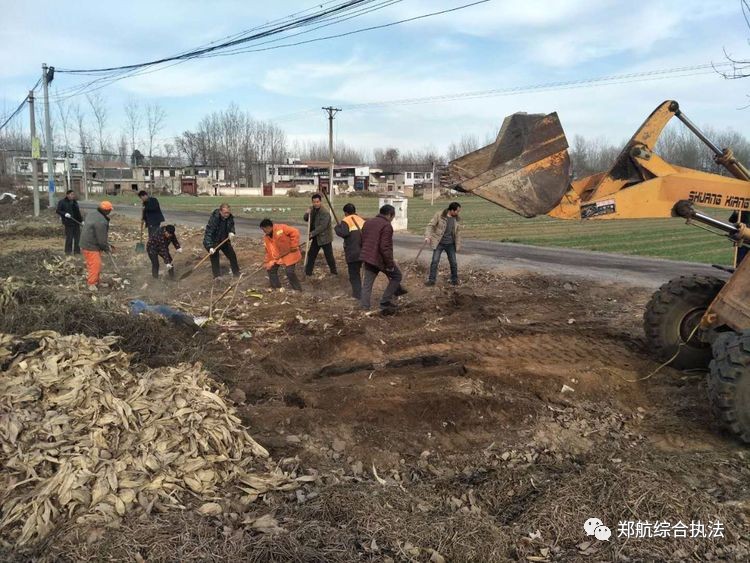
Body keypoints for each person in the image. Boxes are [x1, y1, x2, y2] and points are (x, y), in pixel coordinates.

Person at [360, 204, 407, 314]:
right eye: (393, 217)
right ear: (390, 215)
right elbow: (384, 247)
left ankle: (364, 306)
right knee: (396, 276)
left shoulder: (368, 222)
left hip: (367, 256)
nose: (392, 220)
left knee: (367, 283)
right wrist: (390, 264)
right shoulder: (386, 226)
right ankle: (385, 302)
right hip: (379, 258)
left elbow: (363, 240)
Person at [424, 202, 463, 286]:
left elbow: (458, 233)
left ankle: (454, 280)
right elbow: (430, 226)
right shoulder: (439, 215)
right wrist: (427, 236)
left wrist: (458, 245)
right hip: (439, 243)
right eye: (457, 211)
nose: (458, 213)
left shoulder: (457, 219)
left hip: (450, 244)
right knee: (435, 261)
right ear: (452, 210)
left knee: (453, 262)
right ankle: (431, 280)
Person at [80, 200, 115, 291]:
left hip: (87, 242)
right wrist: (106, 248)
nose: (110, 212)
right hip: (90, 245)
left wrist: (106, 245)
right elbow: (101, 239)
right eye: (110, 210)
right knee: (95, 265)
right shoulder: (101, 221)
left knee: (93, 264)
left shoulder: (92, 214)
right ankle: (91, 284)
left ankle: (96, 281)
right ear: (106, 210)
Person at [260, 218, 303, 291]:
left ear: (268, 227)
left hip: (290, 254)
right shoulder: (267, 238)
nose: (264, 232)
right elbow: (269, 251)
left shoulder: (281, 228)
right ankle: (277, 288)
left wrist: (294, 245)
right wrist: (267, 262)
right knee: (270, 269)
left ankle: (297, 290)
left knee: (289, 272)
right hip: (278, 257)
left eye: (264, 230)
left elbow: (295, 232)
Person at [334, 203, 366, 299]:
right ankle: (364, 293)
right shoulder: (361, 220)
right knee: (365, 274)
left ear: (346, 213)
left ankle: (357, 295)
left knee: (354, 274)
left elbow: (344, 233)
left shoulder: (346, 220)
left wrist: (336, 228)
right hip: (364, 251)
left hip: (353, 252)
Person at [303, 193, 338, 276]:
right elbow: (306, 219)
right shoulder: (312, 209)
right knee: (311, 255)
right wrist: (307, 213)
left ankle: (334, 272)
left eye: (317, 202)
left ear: (320, 202)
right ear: (312, 202)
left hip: (325, 238)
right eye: (314, 202)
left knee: (329, 256)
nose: (316, 204)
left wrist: (312, 233)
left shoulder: (325, 213)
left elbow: (322, 226)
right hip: (316, 238)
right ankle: (308, 273)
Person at [203, 203, 240, 279]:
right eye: (225, 213)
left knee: (232, 255)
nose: (227, 214)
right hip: (214, 242)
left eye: (228, 212)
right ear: (220, 211)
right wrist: (209, 247)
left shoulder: (229, 217)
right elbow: (209, 233)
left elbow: (231, 225)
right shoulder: (214, 219)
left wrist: (231, 232)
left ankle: (236, 273)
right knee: (215, 258)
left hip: (224, 240)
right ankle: (217, 276)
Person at [55, 189, 83, 255]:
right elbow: (58, 211)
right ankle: (68, 252)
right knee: (69, 238)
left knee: (77, 238)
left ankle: (77, 252)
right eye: (71, 194)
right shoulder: (62, 202)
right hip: (68, 223)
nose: (73, 196)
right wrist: (65, 214)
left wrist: (81, 221)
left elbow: (77, 213)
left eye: (73, 195)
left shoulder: (75, 202)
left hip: (76, 223)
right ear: (67, 195)